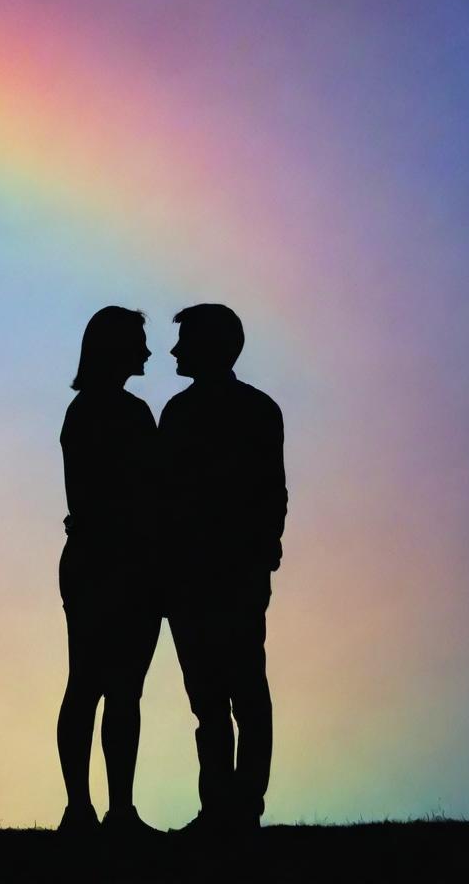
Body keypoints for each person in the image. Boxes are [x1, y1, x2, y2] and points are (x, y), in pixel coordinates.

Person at [158, 304, 287, 835]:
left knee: (238, 691)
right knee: (212, 697)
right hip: (198, 573)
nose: (174, 351)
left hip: (225, 570)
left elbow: (271, 492)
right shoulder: (191, 412)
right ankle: (222, 809)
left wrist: (262, 550)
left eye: (185, 340)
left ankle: (240, 808)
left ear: (212, 345)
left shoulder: (244, 411)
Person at [56, 306, 161, 836]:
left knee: (111, 689)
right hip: (111, 563)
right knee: (98, 687)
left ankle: (107, 810)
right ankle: (90, 809)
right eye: (138, 342)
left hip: (117, 563)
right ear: (114, 347)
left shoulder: (105, 411)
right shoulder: (112, 413)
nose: (147, 352)